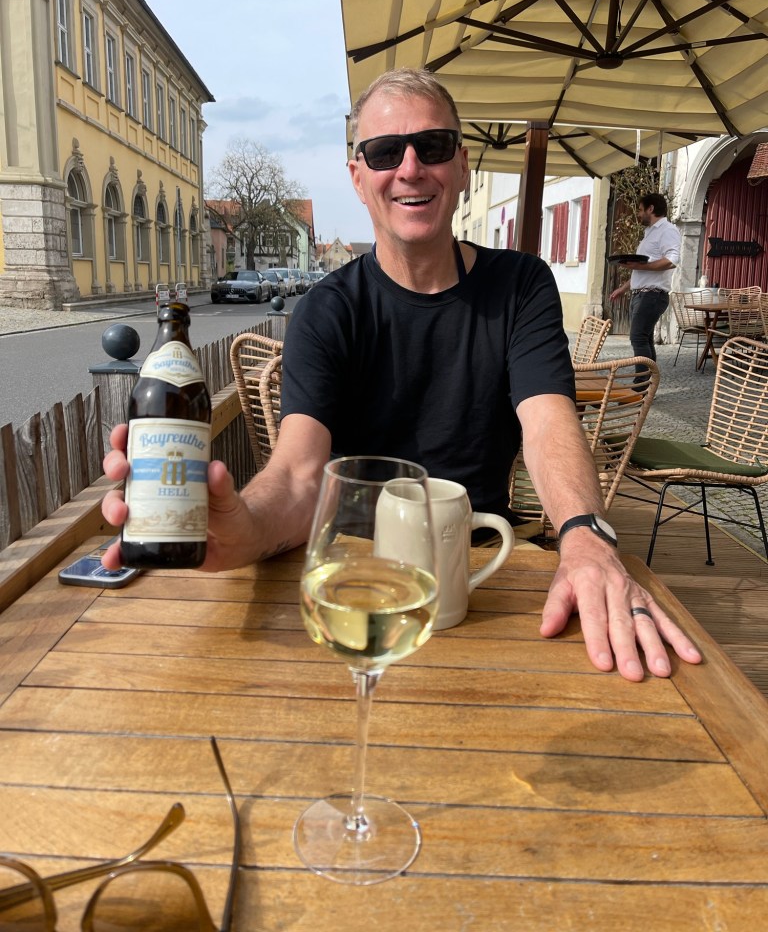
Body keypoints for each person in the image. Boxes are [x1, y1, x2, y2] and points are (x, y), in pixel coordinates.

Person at [102, 68, 701, 683]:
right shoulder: (327, 310)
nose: (410, 168)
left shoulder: (521, 285)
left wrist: (585, 536)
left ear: (461, 166)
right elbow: (300, 473)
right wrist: (243, 528)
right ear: (358, 178)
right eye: (386, 151)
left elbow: (549, 423)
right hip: (352, 576)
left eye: (432, 146)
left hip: (476, 574)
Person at [609, 193, 681, 380]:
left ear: (651, 209)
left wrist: (641, 266)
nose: (638, 214)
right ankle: (648, 386)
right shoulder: (650, 233)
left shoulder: (667, 230)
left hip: (653, 295)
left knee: (638, 338)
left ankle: (640, 386)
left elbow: (672, 260)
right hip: (642, 294)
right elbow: (641, 270)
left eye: (640, 210)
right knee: (645, 339)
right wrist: (623, 288)